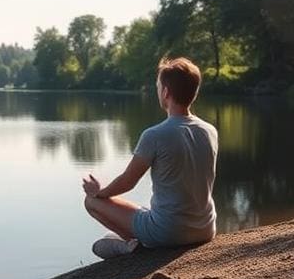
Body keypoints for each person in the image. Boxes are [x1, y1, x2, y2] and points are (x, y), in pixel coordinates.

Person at [82, 56, 218, 258]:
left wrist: (99, 193)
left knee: (91, 202)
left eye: (158, 87)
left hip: (169, 233)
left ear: (165, 92)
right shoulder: (210, 131)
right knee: (148, 209)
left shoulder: (155, 135)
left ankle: (133, 245)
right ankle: (132, 241)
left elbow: (127, 182)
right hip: (205, 229)